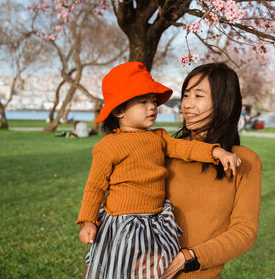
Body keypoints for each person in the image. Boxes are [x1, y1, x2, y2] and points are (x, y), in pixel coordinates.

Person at [76, 62, 241, 279]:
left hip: (156, 221)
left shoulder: (159, 137)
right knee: (117, 268)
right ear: (119, 110)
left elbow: (187, 149)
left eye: (153, 101)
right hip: (122, 221)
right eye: (143, 102)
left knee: (154, 269)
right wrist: (88, 221)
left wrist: (216, 153)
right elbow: (95, 187)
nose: (152, 107)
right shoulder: (108, 145)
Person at [162, 63, 262, 278]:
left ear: (224, 102)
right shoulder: (167, 151)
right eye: (186, 95)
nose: (187, 104)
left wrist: (188, 258)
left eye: (198, 96)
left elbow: (244, 232)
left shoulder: (245, 161)